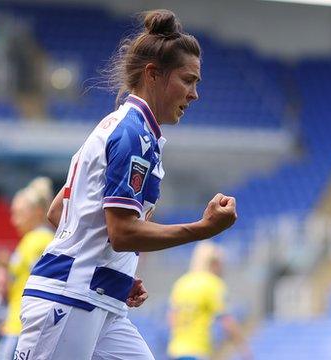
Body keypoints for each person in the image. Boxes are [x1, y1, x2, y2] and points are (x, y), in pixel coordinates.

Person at [13, 9, 238, 360]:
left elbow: (60, 211)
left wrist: (115, 269)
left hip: (101, 300)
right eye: (188, 80)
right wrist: (203, 229)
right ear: (153, 74)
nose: (194, 94)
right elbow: (121, 233)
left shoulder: (120, 127)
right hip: (69, 299)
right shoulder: (133, 136)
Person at [0, 177, 55, 360]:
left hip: (21, 329)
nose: (14, 221)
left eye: (20, 213)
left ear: (37, 212)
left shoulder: (37, 241)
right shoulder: (31, 241)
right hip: (17, 325)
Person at [168, 242, 251, 360]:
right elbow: (227, 321)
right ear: (214, 263)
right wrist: (244, 350)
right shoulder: (212, 284)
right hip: (197, 351)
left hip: (176, 351)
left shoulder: (182, 282)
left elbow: (172, 318)